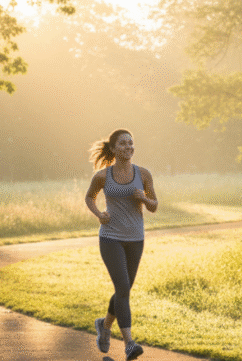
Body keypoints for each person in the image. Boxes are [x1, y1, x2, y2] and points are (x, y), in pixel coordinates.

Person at [85, 129, 157, 361]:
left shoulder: (143, 174)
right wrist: (99, 213)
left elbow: (154, 205)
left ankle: (104, 326)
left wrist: (144, 198)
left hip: (136, 238)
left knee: (123, 290)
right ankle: (129, 344)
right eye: (123, 144)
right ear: (114, 148)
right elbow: (89, 197)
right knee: (123, 287)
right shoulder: (103, 176)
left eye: (131, 143)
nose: (128, 147)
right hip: (111, 237)